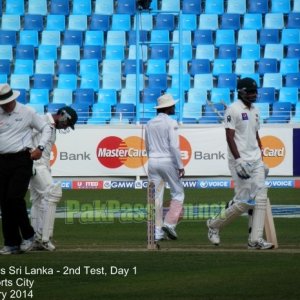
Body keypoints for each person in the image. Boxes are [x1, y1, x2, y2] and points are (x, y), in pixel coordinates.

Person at [206, 77, 274, 250]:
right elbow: (229, 136)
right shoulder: (233, 109)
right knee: (244, 202)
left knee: (260, 197)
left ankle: (255, 240)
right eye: (249, 92)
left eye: (254, 92)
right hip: (240, 160)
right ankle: (214, 225)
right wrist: (238, 160)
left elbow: (256, 133)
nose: (253, 95)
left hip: (256, 159)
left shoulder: (256, 110)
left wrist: (260, 150)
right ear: (241, 92)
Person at [0, 83, 52, 255]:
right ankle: (11, 243)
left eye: (6, 102)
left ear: (13, 99)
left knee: (14, 198)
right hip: (2, 161)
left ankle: (28, 235)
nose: (4, 105)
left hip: (22, 159)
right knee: (5, 203)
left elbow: (46, 128)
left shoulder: (27, 112)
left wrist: (41, 147)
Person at [30, 106, 78, 251]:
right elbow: (25, 136)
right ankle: (45, 238)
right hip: (36, 164)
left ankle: (35, 239)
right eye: (67, 122)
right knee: (53, 193)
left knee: (38, 200)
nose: (66, 126)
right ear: (62, 115)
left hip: (42, 165)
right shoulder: (42, 120)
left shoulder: (52, 127)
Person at [145, 94, 185, 241]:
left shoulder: (150, 123)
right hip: (167, 161)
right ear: (167, 108)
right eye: (173, 105)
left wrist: (152, 158)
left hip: (153, 161)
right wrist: (180, 166)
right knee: (178, 194)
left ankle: (157, 233)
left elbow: (147, 145)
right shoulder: (171, 122)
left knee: (156, 198)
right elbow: (174, 146)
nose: (174, 107)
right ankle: (169, 224)